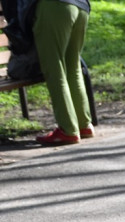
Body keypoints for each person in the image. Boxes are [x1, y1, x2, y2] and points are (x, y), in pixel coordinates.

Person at [32, 0, 93, 146]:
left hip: (55, 6)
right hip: (81, 6)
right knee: (74, 67)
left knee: (54, 68)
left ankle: (68, 130)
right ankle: (83, 124)